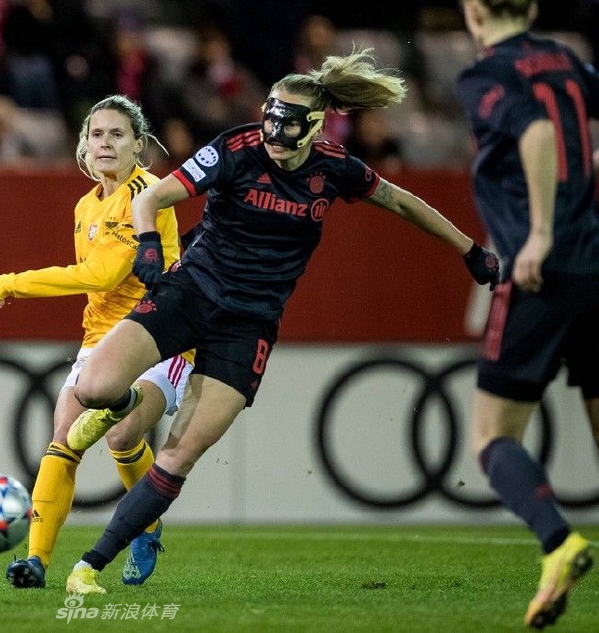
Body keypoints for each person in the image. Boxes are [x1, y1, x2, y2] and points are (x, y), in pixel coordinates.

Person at [60, 49, 501, 595]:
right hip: (190, 293)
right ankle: (123, 405)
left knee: (178, 457)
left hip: (249, 326)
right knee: (96, 387)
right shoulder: (235, 148)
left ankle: (88, 567)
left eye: (287, 127)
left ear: (314, 128)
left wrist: (468, 250)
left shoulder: (334, 167)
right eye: (269, 120)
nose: (273, 135)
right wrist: (149, 246)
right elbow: (152, 196)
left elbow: (403, 203)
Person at [0, 94, 194, 589]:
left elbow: (103, 274)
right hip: (102, 337)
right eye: (97, 134)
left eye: (118, 134)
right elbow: (99, 289)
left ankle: (146, 525)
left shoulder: (150, 193)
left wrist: (16, 281)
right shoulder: (85, 205)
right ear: (84, 146)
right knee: (63, 433)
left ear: (139, 146)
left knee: (123, 436)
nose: (106, 143)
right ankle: (35, 561)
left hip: (160, 332)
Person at [456, 0, 597, 628]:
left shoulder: (487, 73)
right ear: (534, 7)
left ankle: (558, 542)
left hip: (541, 272)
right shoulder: (567, 60)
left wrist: (540, 232)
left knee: (492, 437)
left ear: (475, 10)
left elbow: (536, 132)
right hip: (595, 262)